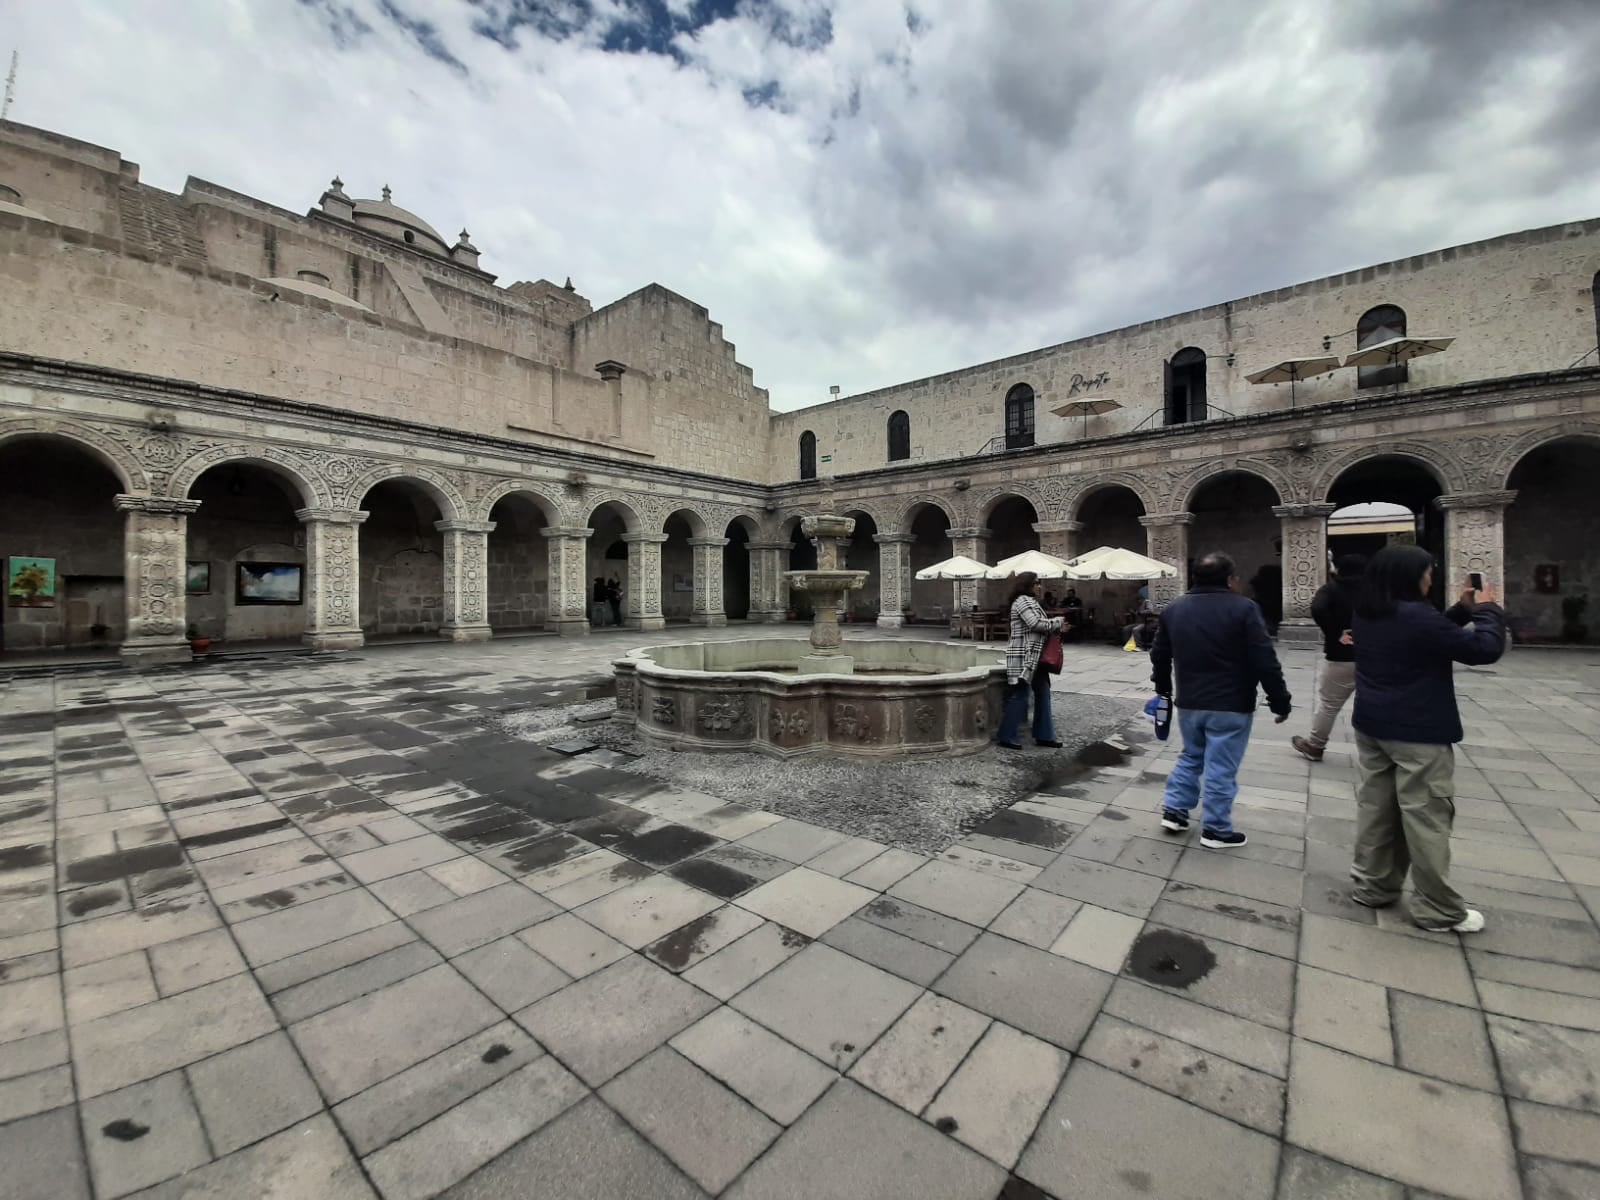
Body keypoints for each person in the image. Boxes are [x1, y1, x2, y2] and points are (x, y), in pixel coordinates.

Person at [1347, 544, 1505, 933]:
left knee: (1377, 810)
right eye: (1427, 573)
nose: (1430, 580)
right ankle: (1437, 908)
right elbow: (1483, 649)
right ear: (1410, 577)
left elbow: (1427, 634)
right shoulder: (1416, 617)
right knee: (1426, 817)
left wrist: (1461, 611)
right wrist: (1487, 610)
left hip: (1373, 724)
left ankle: (1373, 886)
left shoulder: (1368, 611)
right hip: (1417, 730)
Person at [1152, 551, 1292, 848]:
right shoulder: (1244, 608)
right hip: (1231, 702)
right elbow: (1264, 658)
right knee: (1221, 766)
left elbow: (1159, 654)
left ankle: (1175, 810)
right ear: (1230, 580)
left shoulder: (1174, 609)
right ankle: (1216, 829)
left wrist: (1163, 689)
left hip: (1189, 701)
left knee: (1191, 755)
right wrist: (1279, 700)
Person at [1292, 554, 1366, 763]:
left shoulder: (1332, 589)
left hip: (1341, 655)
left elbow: (1317, 608)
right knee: (1375, 702)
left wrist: (1335, 632)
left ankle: (1315, 745)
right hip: (1374, 656)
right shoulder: (1377, 591)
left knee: (1329, 704)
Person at [997, 571, 1066, 750]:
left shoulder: (1030, 601)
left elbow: (1038, 624)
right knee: (1020, 694)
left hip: (1035, 656)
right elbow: (1034, 623)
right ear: (1027, 584)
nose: (1040, 586)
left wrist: (1054, 625)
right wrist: (1057, 622)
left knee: (1043, 693)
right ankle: (1006, 735)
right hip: (1025, 656)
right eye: (1037, 583)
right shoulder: (1022, 601)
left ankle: (1044, 735)